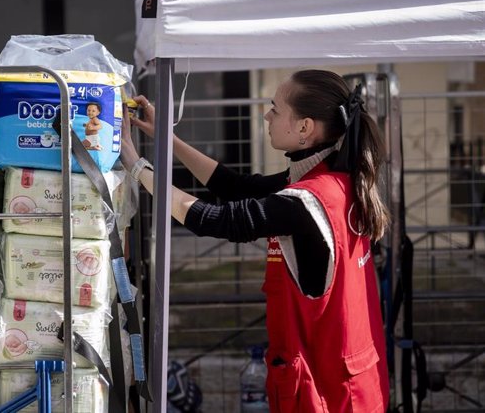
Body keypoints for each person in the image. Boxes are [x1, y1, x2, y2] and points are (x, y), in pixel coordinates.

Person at [120, 69, 390, 412]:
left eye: (275, 110)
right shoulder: (338, 178)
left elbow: (212, 219)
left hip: (326, 393)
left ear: (305, 128)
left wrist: (136, 165)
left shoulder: (305, 202)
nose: (266, 115)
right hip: (351, 385)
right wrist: (166, 140)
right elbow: (236, 188)